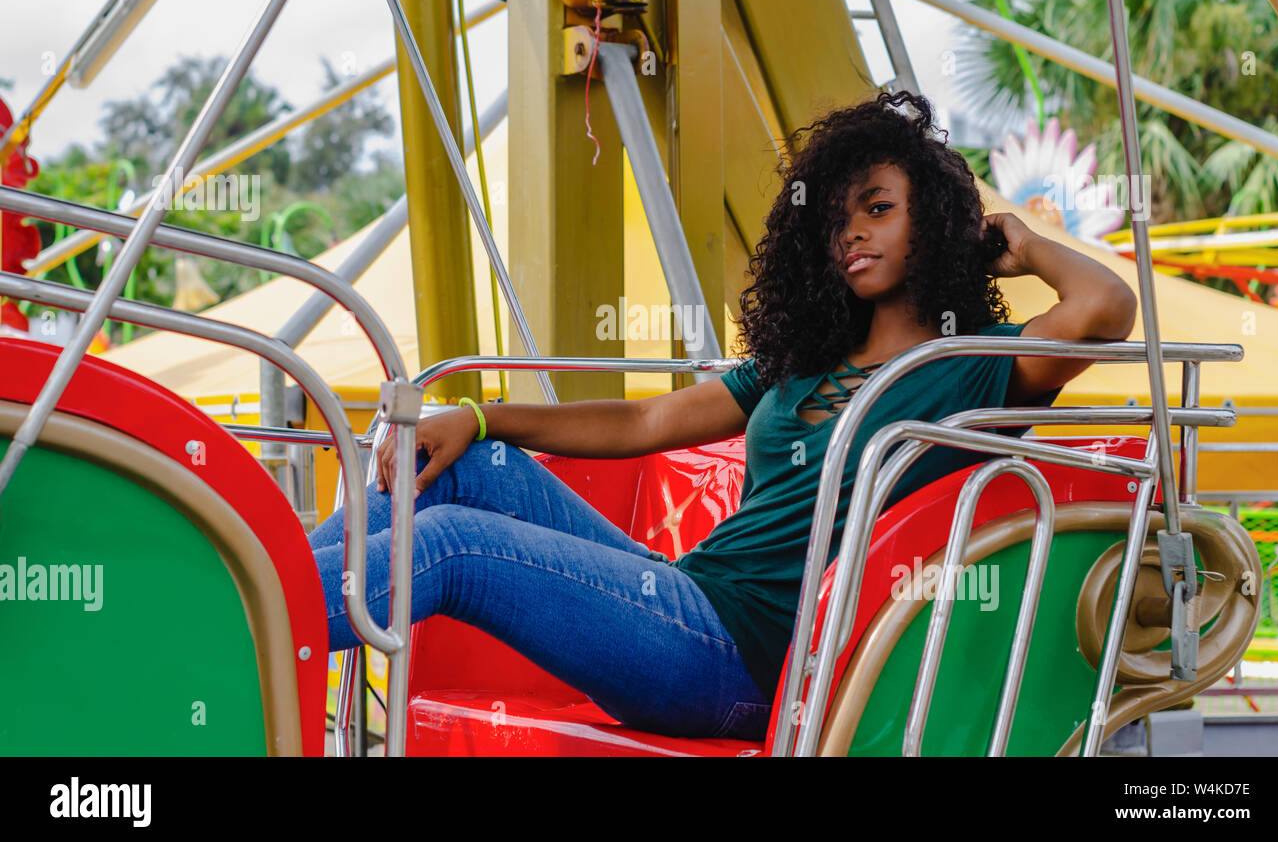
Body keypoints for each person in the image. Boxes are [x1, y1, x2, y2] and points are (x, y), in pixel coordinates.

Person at [308, 89, 1137, 742]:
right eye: (839, 217)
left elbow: (1106, 305)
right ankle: (249, 565)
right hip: (683, 599)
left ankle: (240, 625)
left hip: (742, 664)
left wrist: (1021, 244)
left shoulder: (974, 364)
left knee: (454, 550)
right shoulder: (805, 360)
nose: (852, 231)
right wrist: (481, 418)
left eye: (878, 207)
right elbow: (644, 425)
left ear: (941, 219)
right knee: (463, 463)